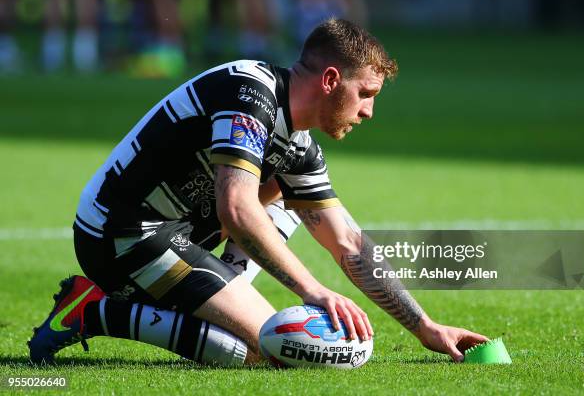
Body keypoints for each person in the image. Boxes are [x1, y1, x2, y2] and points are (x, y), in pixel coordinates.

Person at [29, 18, 488, 366]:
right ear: (330, 80)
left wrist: (424, 327)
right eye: (365, 93)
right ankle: (95, 311)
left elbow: (347, 242)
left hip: (182, 234)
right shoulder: (250, 93)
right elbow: (235, 209)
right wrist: (314, 291)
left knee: (293, 212)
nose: (369, 111)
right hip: (123, 233)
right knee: (273, 351)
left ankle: (206, 295)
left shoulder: (300, 143)